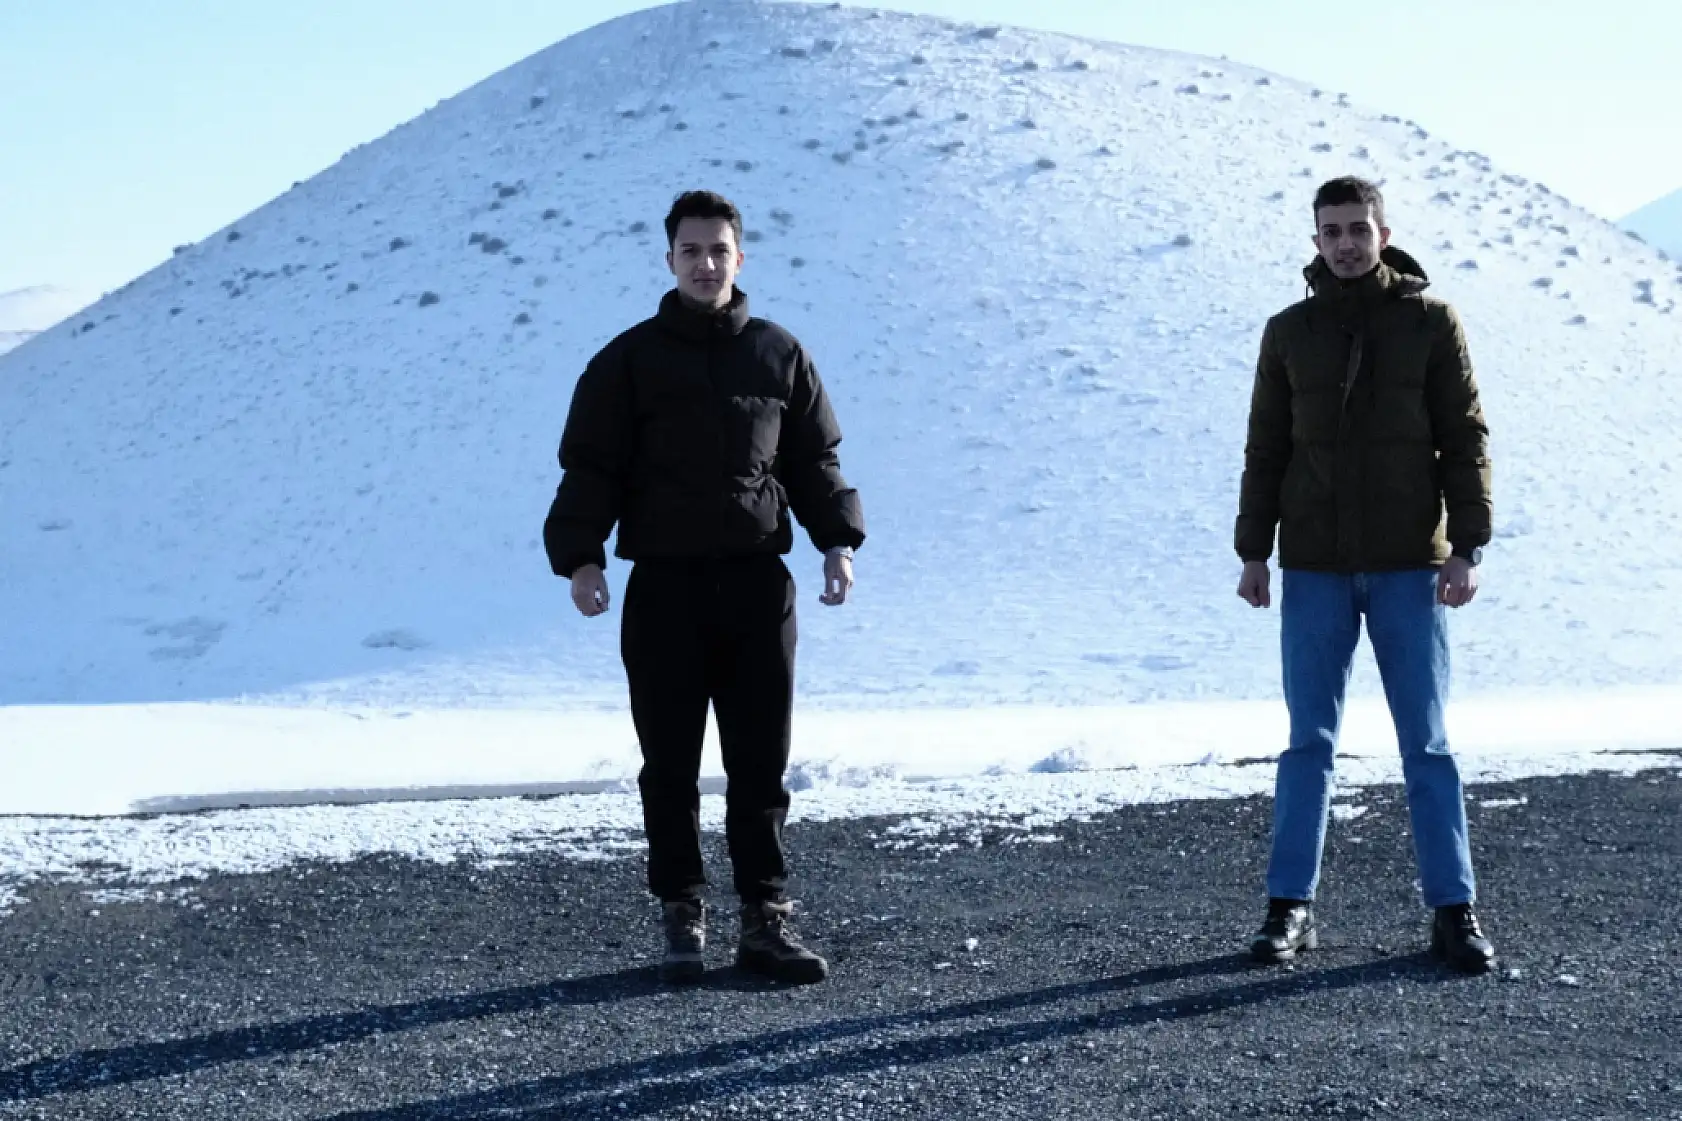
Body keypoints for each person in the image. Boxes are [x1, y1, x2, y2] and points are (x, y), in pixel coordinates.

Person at [543, 190, 865, 985]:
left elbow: (814, 464)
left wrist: (838, 543)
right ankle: (681, 914)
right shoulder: (626, 362)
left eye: (718, 250)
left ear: (739, 258)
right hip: (664, 589)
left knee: (760, 761)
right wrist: (583, 557)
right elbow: (591, 467)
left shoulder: (779, 354)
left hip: (759, 586)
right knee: (670, 763)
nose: (705, 263)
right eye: (691, 251)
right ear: (670, 260)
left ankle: (766, 919)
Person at [1235, 176, 1497, 973]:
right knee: (1307, 742)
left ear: (1385, 233)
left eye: (1358, 227)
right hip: (1313, 564)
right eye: (1331, 230)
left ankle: (1454, 911)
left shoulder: (1431, 322)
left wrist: (1467, 545)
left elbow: (1466, 437)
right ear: (1314, 240)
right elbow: (1265, 447)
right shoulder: (1288, 332)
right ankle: (1289, 909)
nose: (1345, 242)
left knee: (1427, 740)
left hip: (1409, 568)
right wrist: (1253, 550)